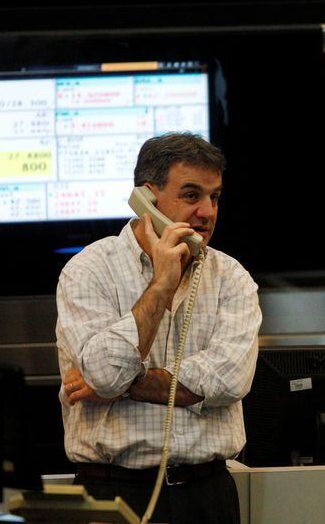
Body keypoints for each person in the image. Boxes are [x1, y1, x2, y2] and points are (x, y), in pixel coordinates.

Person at [55, 132, 261, 524]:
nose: (207, 211)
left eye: (214, 197)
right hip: (114, 491)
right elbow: (104, 373)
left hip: (207, 494)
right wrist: (162, 283)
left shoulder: (232, 277)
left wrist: (121, 384)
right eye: (191, 195)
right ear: (147, 198)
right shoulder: (87, 271)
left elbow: (230, 379)